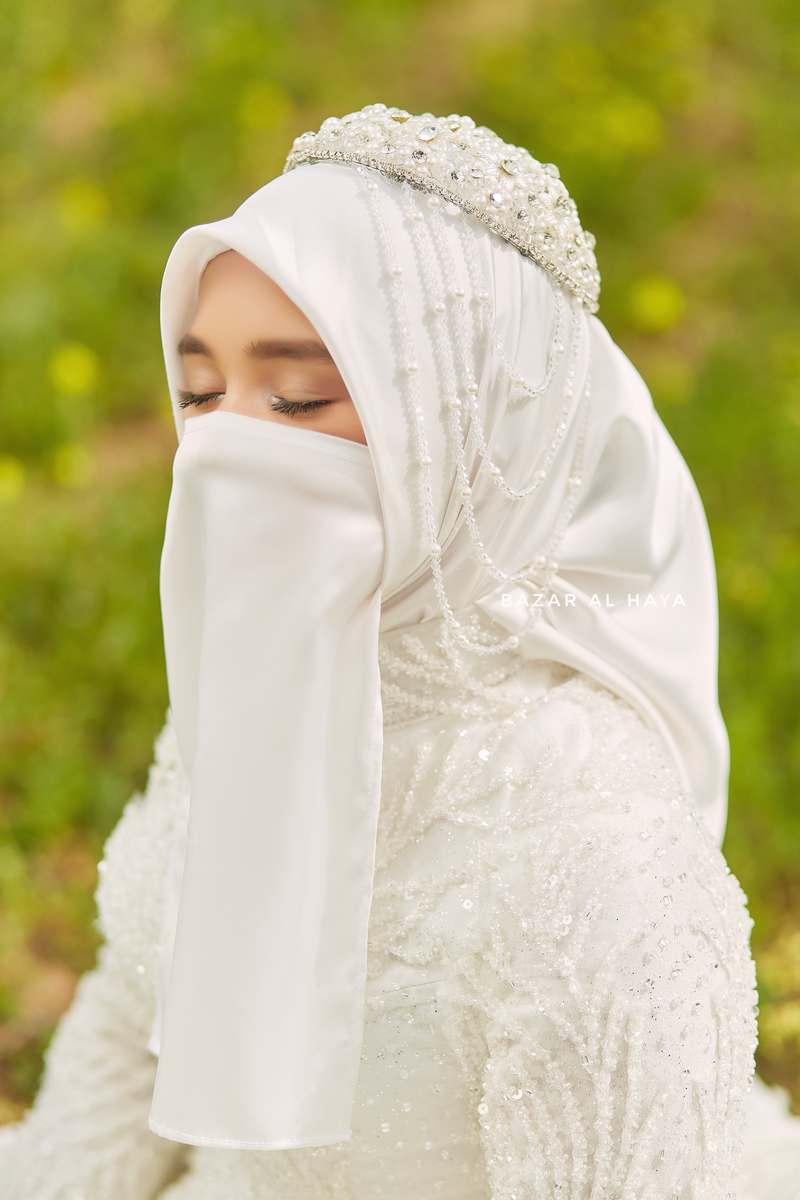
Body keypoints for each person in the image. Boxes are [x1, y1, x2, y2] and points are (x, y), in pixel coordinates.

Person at [0, 104, 763, 1199]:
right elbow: (129, 1042)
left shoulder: (598, 861)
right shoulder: (247, 704)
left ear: (470, 430)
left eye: (299, 395)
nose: (224, 451)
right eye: (200, 394)